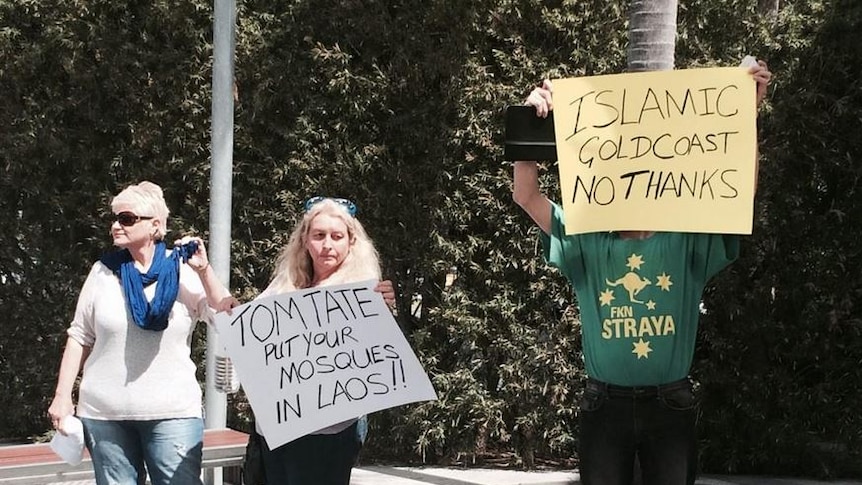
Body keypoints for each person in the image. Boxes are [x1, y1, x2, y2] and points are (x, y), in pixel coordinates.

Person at [512, 61, 772, 485]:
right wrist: (528, 119)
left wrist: (745, 113)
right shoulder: (588, 240)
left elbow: (738, 197)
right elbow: (526, 194)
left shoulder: (685, 238)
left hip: (670, 405)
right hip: (604, 405)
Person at [47, 181, 238, 485]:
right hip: (105, 414)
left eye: (126, 218)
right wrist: (62, 397)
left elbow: (225, 315)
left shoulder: (181, 270)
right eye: (114, 218)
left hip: (172, 414)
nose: (116, 226)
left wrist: (204, 271)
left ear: (156, 226)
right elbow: (80, 335)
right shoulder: (103, 272)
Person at [255, 195, 392, 485]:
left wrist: (385, 312)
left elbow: (375, 356)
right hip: (276, 430)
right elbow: (248, 334)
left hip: (328, 434)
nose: (327, 244)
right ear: (304, 240)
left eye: (336, 236)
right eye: (318, 235)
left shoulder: (364, 293)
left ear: (350, 242)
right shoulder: (282, 285)